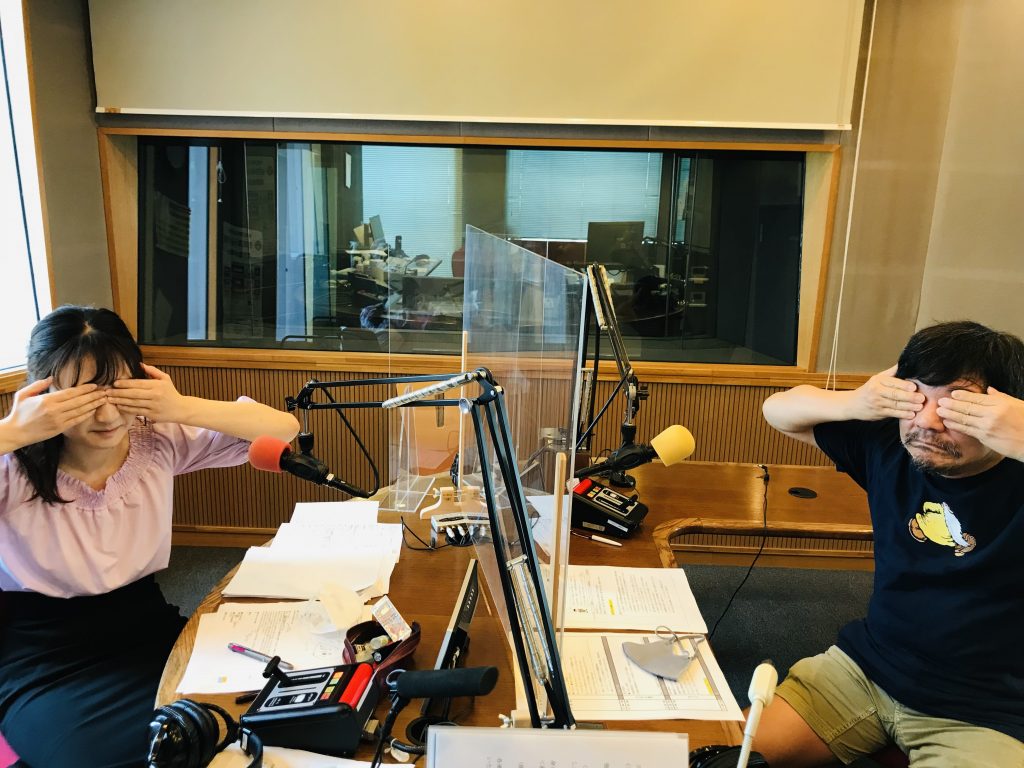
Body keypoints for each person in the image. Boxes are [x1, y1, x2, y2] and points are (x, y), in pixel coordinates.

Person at [0, 306, 299, 767]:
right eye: (81, 397)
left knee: (256, 721)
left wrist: (178, 406)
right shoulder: (12, 467)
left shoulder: (155, 439)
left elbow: (284, 429)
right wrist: (13, 431)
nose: (106, 414)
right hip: (48, 658)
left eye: (119, 390)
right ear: (43, 394)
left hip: (145, 627)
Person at [757, 321, 1024, 767]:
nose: (927, 422)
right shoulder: (890, 450)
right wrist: (856, 401)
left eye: (960, 408)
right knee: (718, 754)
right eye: (914, 398)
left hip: (985, 711)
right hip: (865, 669)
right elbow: (777, 410)